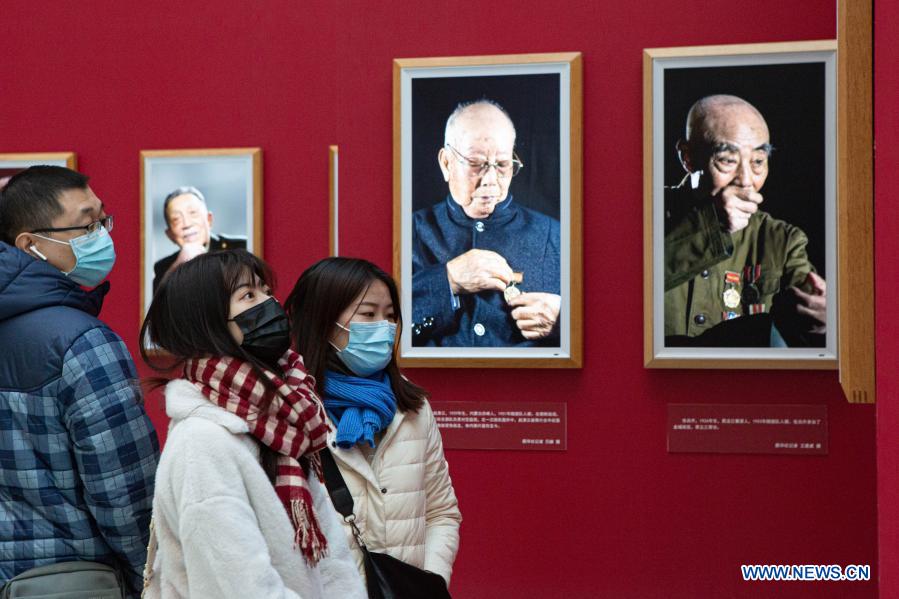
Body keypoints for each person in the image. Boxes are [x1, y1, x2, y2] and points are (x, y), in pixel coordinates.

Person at [140, 249, 365, 598]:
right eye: (248, 295)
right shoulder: (203, 442)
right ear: (208, 323)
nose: (269, 303)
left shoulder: (281, 424)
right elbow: (240, 585)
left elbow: (331, 562)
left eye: (265, 291)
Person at [0, 166, 159, 597]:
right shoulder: (82, 342)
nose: (101, 236)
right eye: (86, 225)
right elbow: (125, 494)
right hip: (71, 580)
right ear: (30, 245)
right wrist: (153, 576)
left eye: (102, 221)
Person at [286, 257, 462, 589]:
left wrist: (430, 582)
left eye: (391, 315)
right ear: (323, 321)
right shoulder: (288, 411)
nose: (383, 326)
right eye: (368, 314)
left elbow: (441, 513)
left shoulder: (412, 406)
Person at [664, 94, 827, 347]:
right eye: (728, 160)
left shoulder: (782, 240)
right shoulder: (644, 214)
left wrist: (824, 320)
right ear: (688, 157)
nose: (746, 179)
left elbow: (807, 329)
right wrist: (710, 225)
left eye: (758, 162)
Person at [412, 99, 561, 347]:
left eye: (502, 165)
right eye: (475, 164)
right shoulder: (407, 232)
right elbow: (375, 326)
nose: (491, 180)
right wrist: (447, 280)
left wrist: (564, 320)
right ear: (446, 163)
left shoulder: (557, 236)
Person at [151, 185, 246, 292]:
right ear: (170, 235)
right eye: (176, 219)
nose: (187, 224)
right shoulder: (164, 268)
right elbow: (154, 305)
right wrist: (177, 266)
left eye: (193, 213)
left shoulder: (242, 248)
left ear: (209, 220)